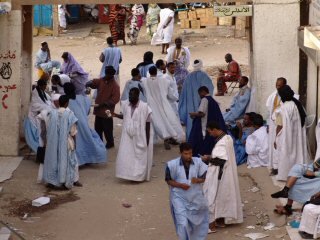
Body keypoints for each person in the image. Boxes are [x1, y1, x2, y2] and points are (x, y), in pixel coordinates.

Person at [202, 121, 243, 233]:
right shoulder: (227, 138)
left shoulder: (221, 143)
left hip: (220, 175)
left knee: (212, 197)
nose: (210, 134)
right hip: (226, 173)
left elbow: (220, 160)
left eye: (210, 132)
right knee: (223, 197)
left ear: (215, 129)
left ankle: (212, 225)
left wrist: (207, 159)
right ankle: (221, 220)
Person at [165, 143, 209, 240]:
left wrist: (198, 180)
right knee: (183, 223)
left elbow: (205, 176)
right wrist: (180, 185)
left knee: (198, 223)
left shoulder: (198, 162)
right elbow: (168, 180)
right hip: (178, 197)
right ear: (180, 153)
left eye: (190, 153)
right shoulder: (172, 164)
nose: (189, 156)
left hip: (195, 197)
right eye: (186, 154)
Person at [114, 88, 153, 181]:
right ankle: (128, 175)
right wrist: (115, 115)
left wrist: (147, 139)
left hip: (140, 136)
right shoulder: (126, 105)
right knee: (127, 155)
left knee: (139, 156)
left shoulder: (145, 107)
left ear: (138, 95)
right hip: (127, 136)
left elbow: (148, 124)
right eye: (129, 95)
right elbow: (125, 116)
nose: (130, 97)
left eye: (132, 95)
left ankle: (138, 177)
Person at [43, 95, 81, 189]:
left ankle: (52, 182)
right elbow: (73, 132)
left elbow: (48, 128)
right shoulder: (70, 115)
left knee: (53, 160)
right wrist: (74, 143)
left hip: (53, 142)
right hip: (66, 143)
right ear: (67, 103)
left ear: (59, 103)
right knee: (71, 161)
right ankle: (68, 181)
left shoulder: (52, 113)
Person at [64, 83, 107, 166]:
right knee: (87, 140)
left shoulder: (66, 101)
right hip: (83, 123)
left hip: (73, 125)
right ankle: (89, 158)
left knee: (75, 143)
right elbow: (87, 110)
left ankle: (78, 161)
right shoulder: (82, 98)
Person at [142, 66, 185, 150]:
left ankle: (159, 139)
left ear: (149, 73)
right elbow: (171, 94)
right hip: (164, 104)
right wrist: (175, 98)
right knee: (169, 120)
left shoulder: (144, 81)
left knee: (156, 123)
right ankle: (170, 137)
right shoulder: (164, 81)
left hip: (151, 105)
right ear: (157, 72)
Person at [274, 85, 308, 180]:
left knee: (286, 155)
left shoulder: (283, 108)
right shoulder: (297, 104)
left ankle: (286, 175)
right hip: (297, 136)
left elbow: (279, 126)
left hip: (286, 136)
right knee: (297, 154)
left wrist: (276, 139)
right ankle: (297, 174)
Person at [86, 66, 120, 149]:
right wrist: (89, 83)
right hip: (98, 110)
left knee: (108, 128)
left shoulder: (115, 86)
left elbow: (115, 99)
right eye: (106, 73)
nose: (106, 75)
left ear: (112, 75)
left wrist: (104, 103)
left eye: (108, 74)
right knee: (98, 128)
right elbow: (94, 83)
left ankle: (110, 143)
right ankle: (99, 142)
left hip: (107, 111)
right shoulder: (102, 80)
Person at [179, 59, 214, 139]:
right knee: (203, 123)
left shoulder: (188, 77)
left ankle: (191, 141)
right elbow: (209, 91)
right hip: (203, 104)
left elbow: (183, 94)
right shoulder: (205, 76)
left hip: (190, 105)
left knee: (191, 122)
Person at [188, 86, 227, 156]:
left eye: (199, 93)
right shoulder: (212, 100)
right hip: (211, 123)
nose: (199, 96)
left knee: (198, 140)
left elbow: (202, 113)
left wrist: (193, 114)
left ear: (203, 92)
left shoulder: (204, 100)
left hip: (204, 124)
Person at [266, 77, 287, 176]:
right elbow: (269, 110)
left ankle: (280, 168)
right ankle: (275, 167)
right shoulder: (273, 95)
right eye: (276, 85)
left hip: (282, 126)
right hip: (274, 124)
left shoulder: (288, 96)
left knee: (280, 146)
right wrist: (268, 123)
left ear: (284, 85)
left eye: (280, 85)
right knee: (274, 146)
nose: (277, 87)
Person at [24, 77, 52, 152]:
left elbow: (48, 100)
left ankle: (42, 148)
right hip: (33, 117)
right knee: (38, 136)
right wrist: (47, 107)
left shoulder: (43, 92)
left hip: (41, 116)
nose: (45, 87)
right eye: (44, 86)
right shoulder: (35, 93)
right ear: (40, 86)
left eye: (46, 86)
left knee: (42, 134)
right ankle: (39, 150)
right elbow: (34, 105)